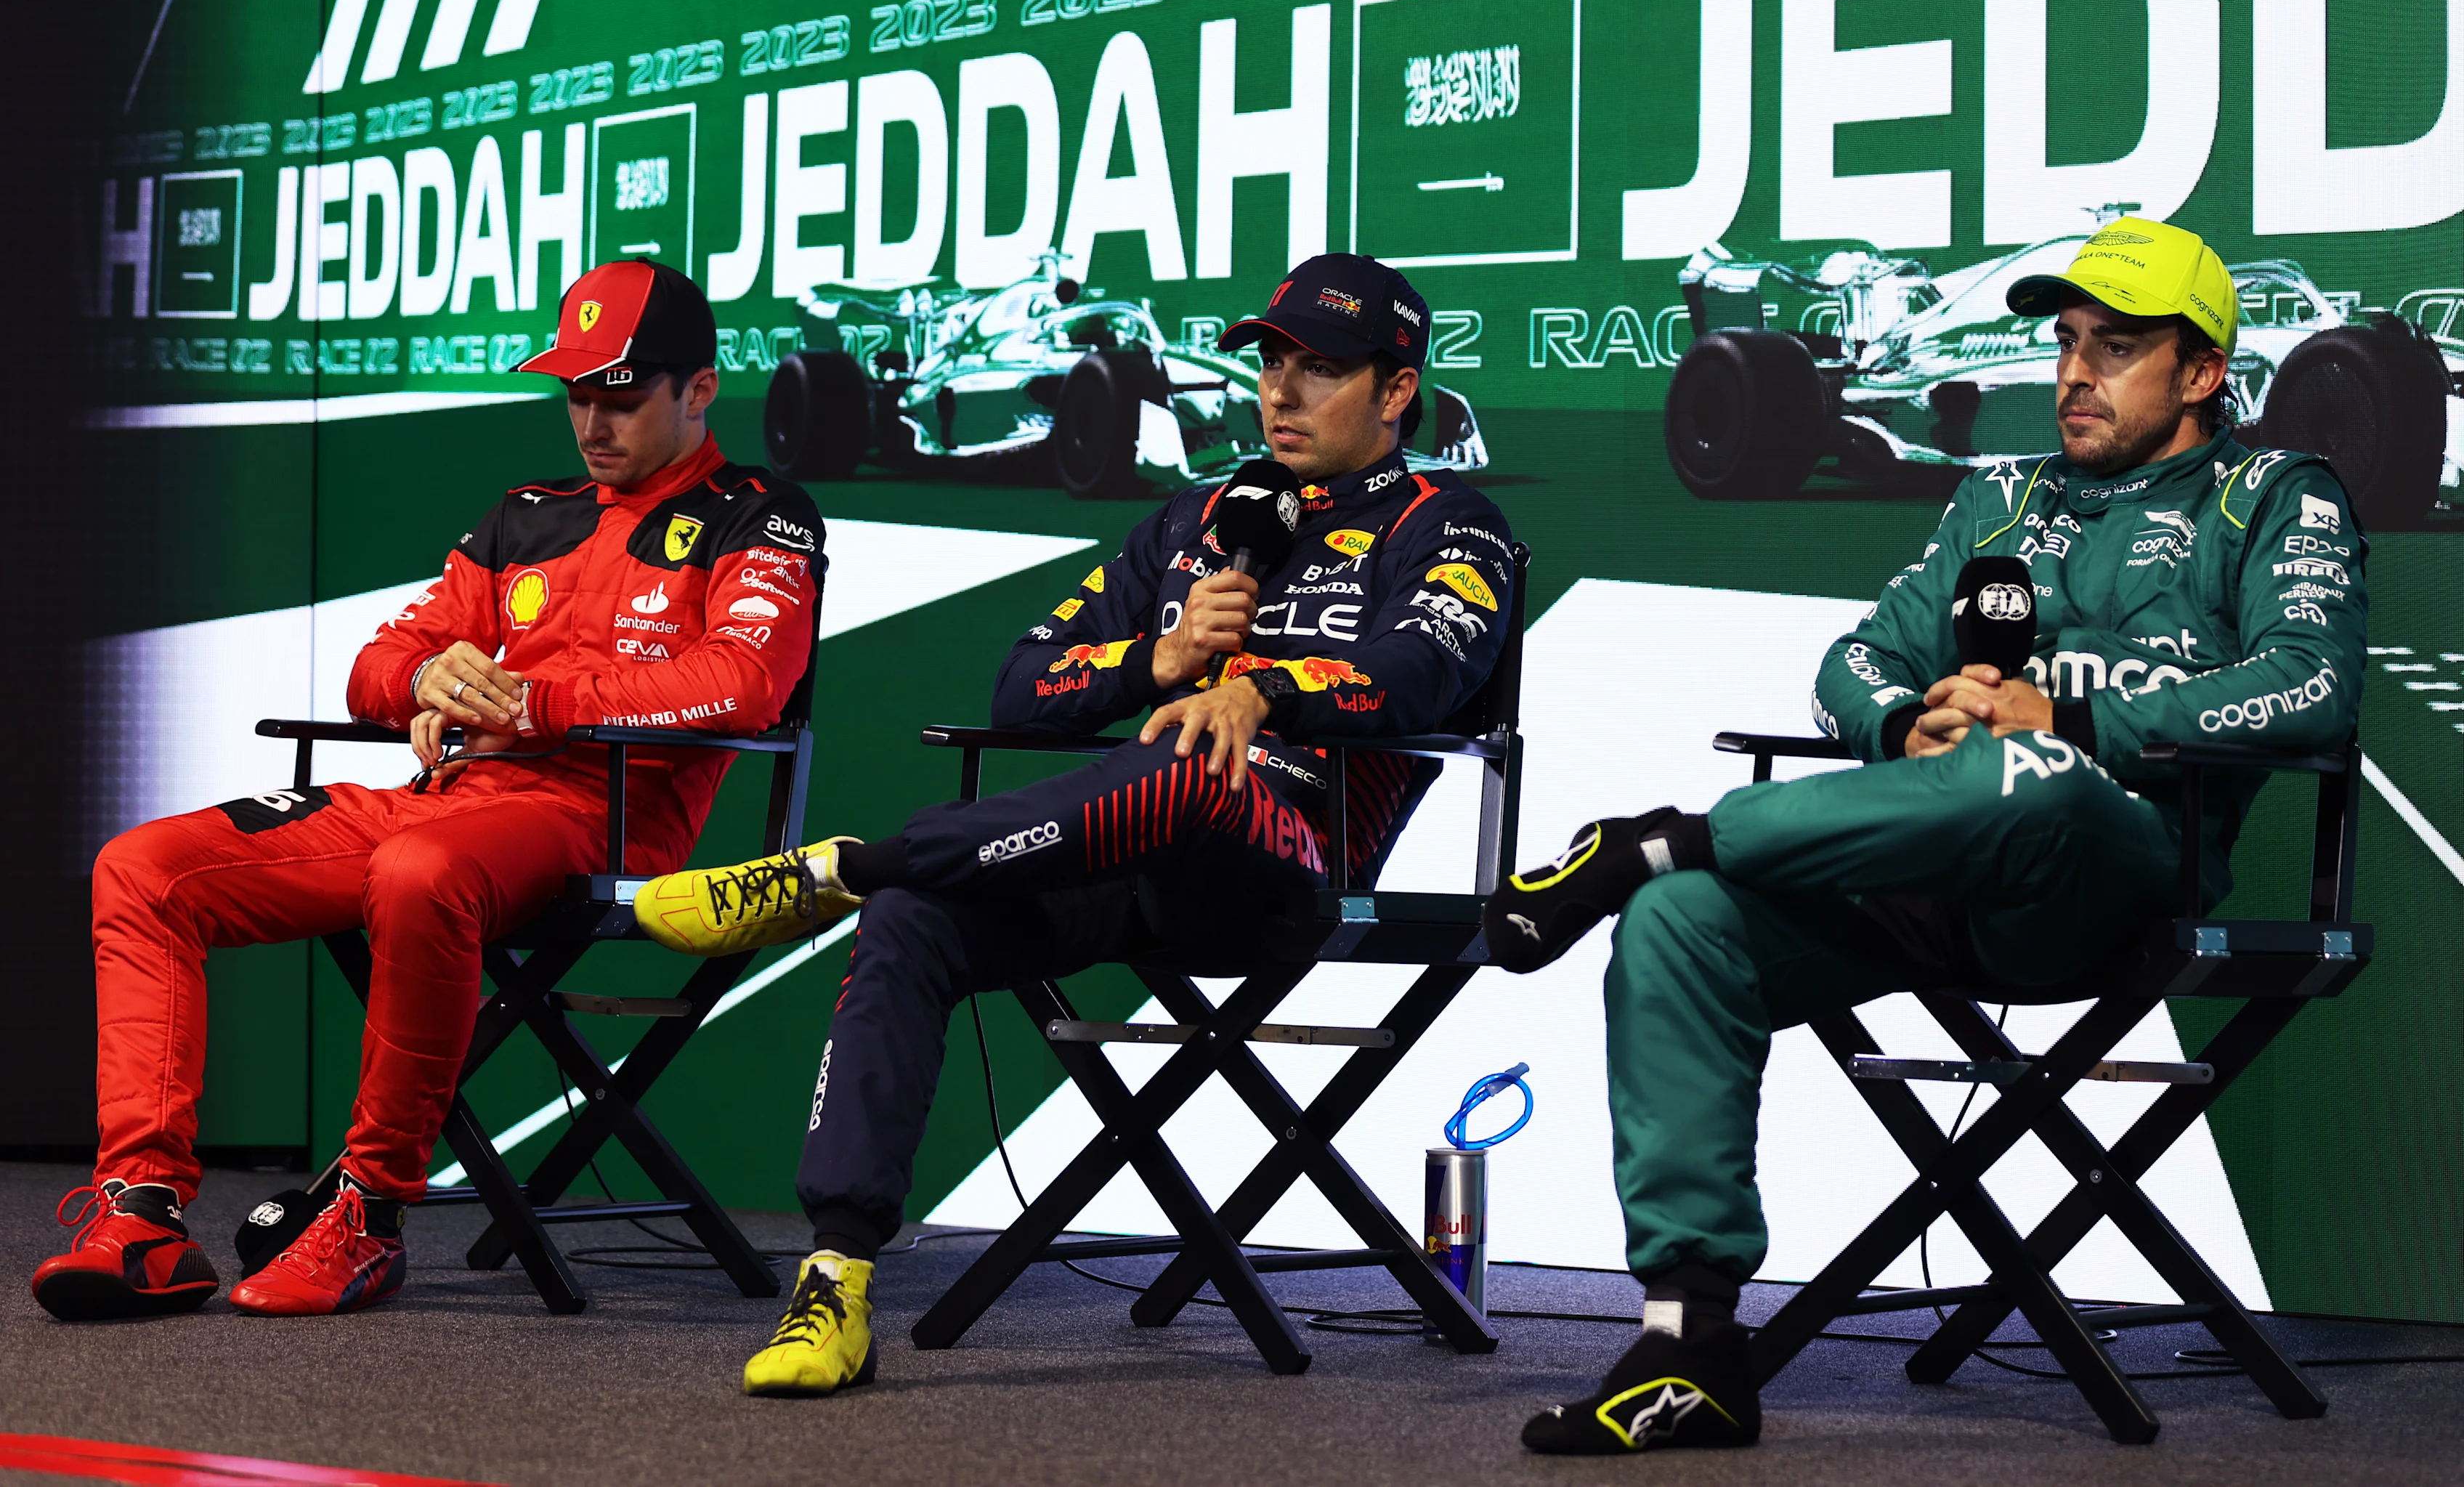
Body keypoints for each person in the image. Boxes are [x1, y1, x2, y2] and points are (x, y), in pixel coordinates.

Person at [1483, 217, 2368, 1454]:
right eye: (2065, 343)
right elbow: (1851, 663)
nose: (2072, 373)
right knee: (1680, 927)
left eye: (2115, 348)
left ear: (2204, 372)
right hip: (1925, 872)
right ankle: (1689, 1348)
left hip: (2117, 882)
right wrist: (1904, 729)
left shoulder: (2274, 496)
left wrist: (2065, 717)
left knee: (2034, 776)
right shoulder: (1997, 500)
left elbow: (2312, 687)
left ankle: (1668, 835)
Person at [631, 253, 1516, 1397]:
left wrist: (1266, 688)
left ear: (1397, 392)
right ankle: (836, 1281)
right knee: (914, 917)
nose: (1281, 394)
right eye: (1273, 364)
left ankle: (848, 863)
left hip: (1297, 861)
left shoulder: (1455, 524)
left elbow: (1424, 675)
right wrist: (1162, 656)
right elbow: (1022, 685)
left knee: (1192, 761)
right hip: (1119, 842)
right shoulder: (1202, 521)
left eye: (1324, 371)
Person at [35, 259, 823, 1321]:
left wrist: (533, 704)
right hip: (438, 801)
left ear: (700, 390)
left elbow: (744, 683)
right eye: (577, 393)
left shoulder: (760, 514)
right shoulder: (525, 513)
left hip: (597, 821)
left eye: (623, 396)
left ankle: (366, 1215)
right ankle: (144, 1212)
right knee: (144, 868)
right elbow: (377, 666)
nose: (593, 421)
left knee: (419, 874)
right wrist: (425, 676)